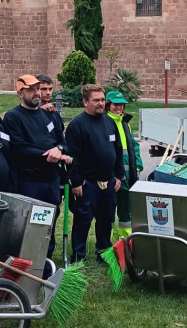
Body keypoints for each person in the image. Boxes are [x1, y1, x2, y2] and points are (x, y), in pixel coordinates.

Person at [3, 75, 71, 278]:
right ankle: (22, 269)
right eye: (31, 90)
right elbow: (18, 148)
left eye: (38, 89)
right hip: (28, 181)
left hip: (51, 180)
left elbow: (62, 141)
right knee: (27, 227)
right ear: (20, 93)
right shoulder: (13, 117)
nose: (37, 93)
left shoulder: (48, 116)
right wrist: (48, 154)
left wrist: (59, 149)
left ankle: (45, 266)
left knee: (49, 224)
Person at [65, 84, 124, 263]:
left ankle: (104, 251)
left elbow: (118, 151)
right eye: (96, 100)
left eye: (101, 100)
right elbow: (72, 156)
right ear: (85, 101)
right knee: (83, 220)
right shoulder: (77, 125)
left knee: (106, 219)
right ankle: (78, 255)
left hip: (109, 182)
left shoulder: (109, 122)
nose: (100, 103)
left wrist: (119, 175)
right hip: (87, 183)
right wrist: (76, 182)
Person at [105, 91, 144, 237]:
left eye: (121, 104)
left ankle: (126, 240)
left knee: (126, 211)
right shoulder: (104, 122)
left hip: (127, 176)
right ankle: (106, 241)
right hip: (110, 175)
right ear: (108, 105)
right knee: (108, 209)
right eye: (116, 104)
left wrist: (138, 165)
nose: (119, 107)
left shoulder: (125, 124)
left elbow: (134, 146)